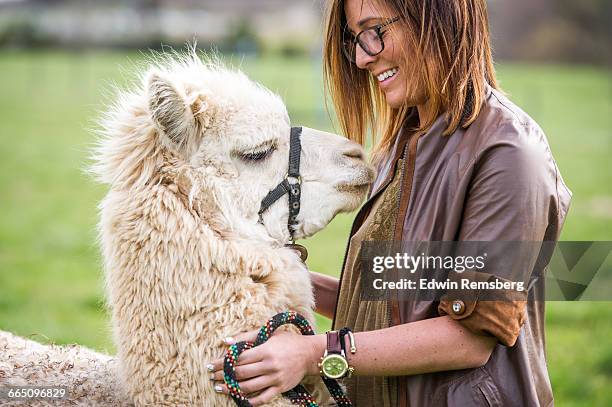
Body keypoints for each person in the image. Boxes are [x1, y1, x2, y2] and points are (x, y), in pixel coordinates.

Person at [208, 0, 572, 405]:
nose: (363, 58)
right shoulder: (403, 145)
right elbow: (395, 298)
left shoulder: (508, 153)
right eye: (355, 39)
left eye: (375, 31)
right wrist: (273, 274)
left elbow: (470, 338)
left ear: (438, 17)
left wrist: (314, 354)